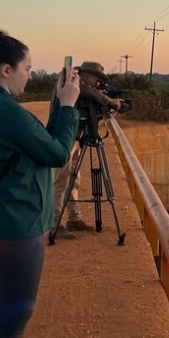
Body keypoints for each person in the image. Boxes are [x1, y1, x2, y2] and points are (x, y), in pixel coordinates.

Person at [0, 26, 80, 338]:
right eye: (28, 68)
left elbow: (38, 142)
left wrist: (58, 104)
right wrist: (68, 107)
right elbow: (58, 153)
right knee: (18, 311)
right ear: (7, 70)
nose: (30, 76)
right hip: (19, 224)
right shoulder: (6, 112)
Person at [51, 61, 121, 240]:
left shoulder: (78, 87)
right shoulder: (71, 81)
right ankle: (55, 224)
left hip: (75, 139)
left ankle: (74, 219)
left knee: (73, 178)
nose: (97, 84)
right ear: (88, 75)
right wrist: (108, 101)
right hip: (63, 139)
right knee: (60, 181)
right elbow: (87, 90)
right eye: (97, 79)